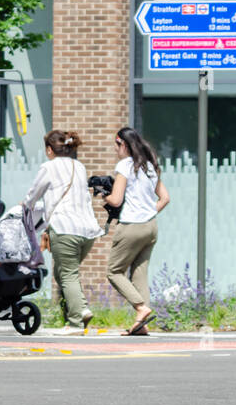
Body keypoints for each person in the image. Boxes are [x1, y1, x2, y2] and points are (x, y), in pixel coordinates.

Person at [23, 130, 102, 334]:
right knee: (64, 273)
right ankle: (80, 309)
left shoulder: (49, 167)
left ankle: (76, 321)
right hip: (88, 230)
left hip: (65, 227)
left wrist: (25, 205)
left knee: (66, 274)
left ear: (50, 150)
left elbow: (33, 194)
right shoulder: (80, 166)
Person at [102, 127, 169, 336]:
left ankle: (141, 307)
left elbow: (116, 200)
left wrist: (102, 194)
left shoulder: (124, 165)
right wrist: (148, 212)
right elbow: (165, 198)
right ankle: (142, 325)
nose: (115, 149)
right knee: (140, 274)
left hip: (131, 226)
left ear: (123, 143)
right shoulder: (149, 166)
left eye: (116, 143)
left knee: (114, 271)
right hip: (150, 227)